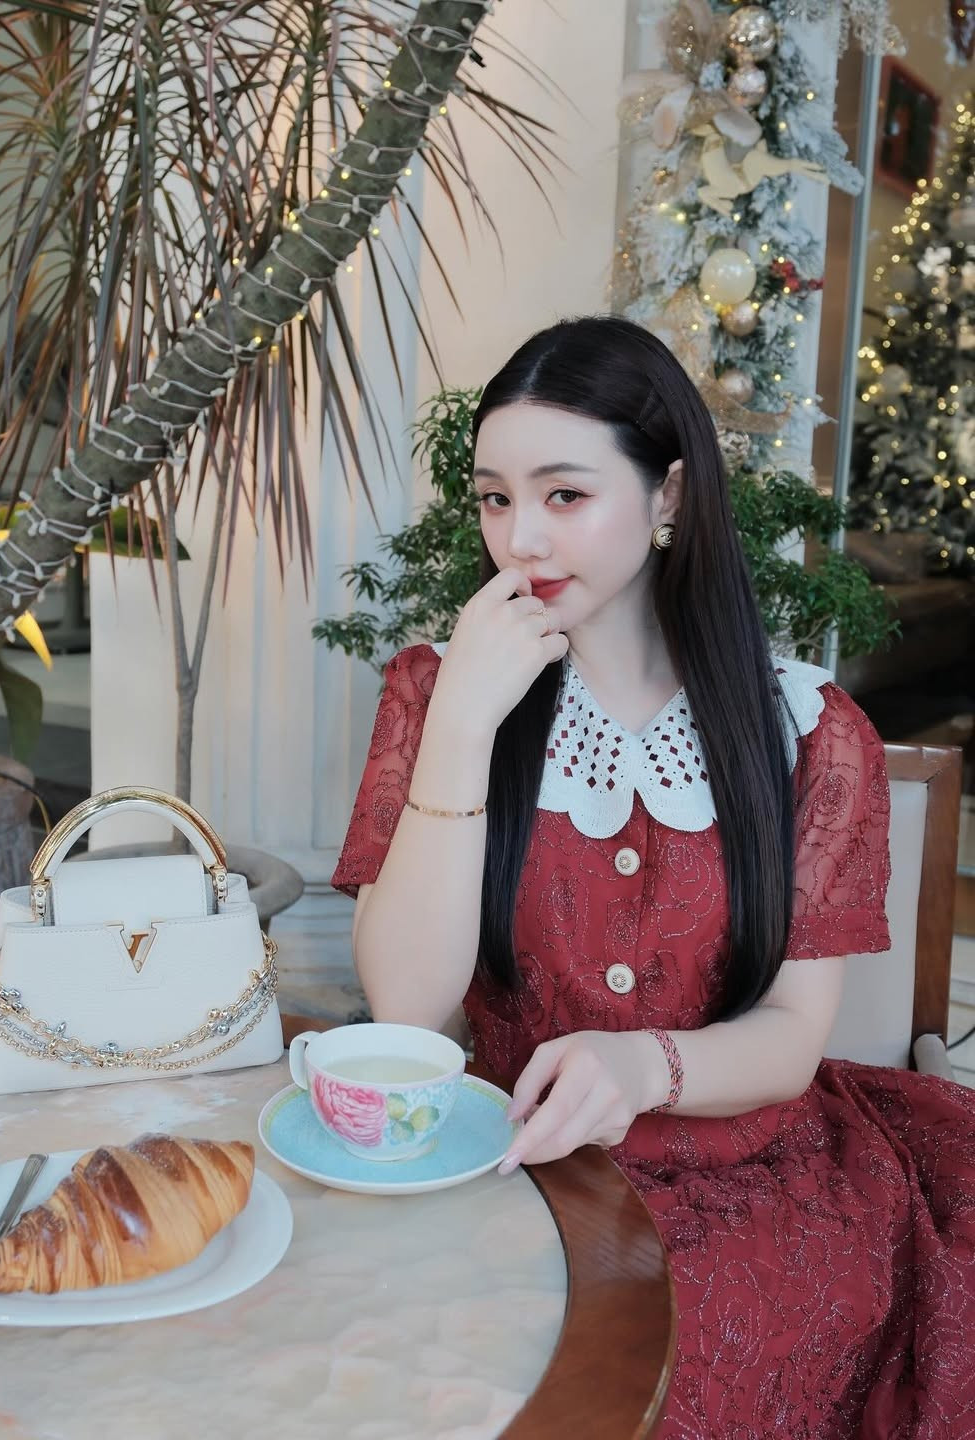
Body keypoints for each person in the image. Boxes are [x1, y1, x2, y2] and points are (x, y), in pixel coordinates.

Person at [330, 314, 975, 1437]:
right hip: (510, 1171)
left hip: (752, 1177)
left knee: (679, 1379)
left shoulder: (807, 731)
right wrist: (466, 722)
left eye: (565, 495)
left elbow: (790, 1036)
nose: (521, 539)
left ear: (667, 494)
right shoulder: (436, 693)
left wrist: (647, 1065)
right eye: (494, 498)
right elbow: (409, 1009)